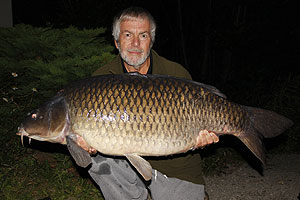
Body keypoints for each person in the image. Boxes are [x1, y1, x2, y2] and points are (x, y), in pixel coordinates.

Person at [89, 7, 219, 200]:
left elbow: (199, 119)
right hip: (125, 164)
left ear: (151, 41)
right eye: (127, 35)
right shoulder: (101, 79)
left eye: (143, 35)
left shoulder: (175, 74)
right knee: (97, 160)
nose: (135, 43)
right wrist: (89, 142)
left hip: (175, 166)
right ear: (116, 42)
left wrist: (201, 139)